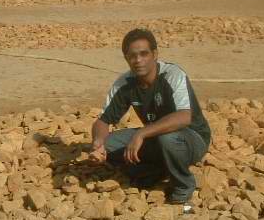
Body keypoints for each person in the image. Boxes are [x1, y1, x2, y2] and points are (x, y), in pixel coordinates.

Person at [89, 28, 211, 205]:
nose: (138, 60)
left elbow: (184, 117)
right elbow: (103, 120)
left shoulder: (173, 75)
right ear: (126, 58)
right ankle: (157, 170)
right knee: (109, 145)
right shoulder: (125, 83)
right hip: (155, 136)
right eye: (132, 56)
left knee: (168, 139)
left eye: (144, 54)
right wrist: (98, 143)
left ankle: (183, 185)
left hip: (191, 138)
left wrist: (141, 134)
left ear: (155, 54)